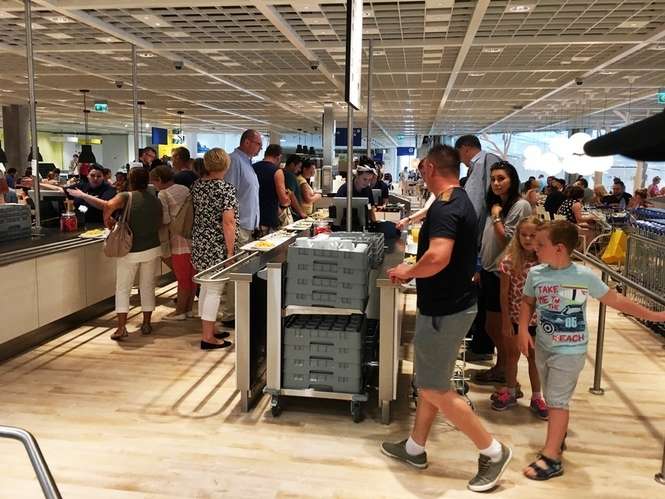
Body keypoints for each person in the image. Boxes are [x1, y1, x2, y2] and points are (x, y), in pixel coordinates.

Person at [381, 145, 512, 493]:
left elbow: (438, 256)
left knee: (433, 387)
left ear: (430, 167)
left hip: (445, 310)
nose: (420, 172)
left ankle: (493, 451)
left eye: (422, 167)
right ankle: (415, 447)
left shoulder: (446, 206)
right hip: (454, 304)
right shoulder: (457, 200)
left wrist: (408, 270)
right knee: (432, 381)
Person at [519, 220, 665, 480]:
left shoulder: (584, 276)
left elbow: (615, 299)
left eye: (541, 244)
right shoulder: (536, 273)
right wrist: (522, 329)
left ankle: (551, 456)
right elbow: (528, 302)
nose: (534, 248)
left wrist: (653, 315)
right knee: (552, 397)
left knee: (557, 402)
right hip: (544, 346)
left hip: (570, 350)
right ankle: (557, 437)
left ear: (559, 248)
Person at [475, 161, 532, 385]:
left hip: (504, 275)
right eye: (493, 179)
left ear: (512, 180)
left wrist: (497, 216)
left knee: (502, 328)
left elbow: (509, 239)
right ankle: (502, 368)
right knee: (492, 325)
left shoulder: (519, 206)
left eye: (501, 178)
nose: (496, 183)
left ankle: (509, 375)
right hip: (490, 271)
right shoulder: (498, 203)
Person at [492, 216, 547, 419]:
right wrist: (506, 320)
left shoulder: (545, 262)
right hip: (515, 317)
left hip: (538, 320)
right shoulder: (509, 261)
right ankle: (511, 390)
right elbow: (503, 293)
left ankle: (537, 396)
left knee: (535, 358)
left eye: (532, 235)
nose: (528, 239)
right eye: (524, 235)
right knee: (512, 356)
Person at [103, 167, 163, 340]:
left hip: (130, 250)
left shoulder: (126, 196)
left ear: (131, 180)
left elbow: (108, 205)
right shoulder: (155, 199)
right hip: (152, 247)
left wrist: (108, 221)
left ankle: (121, 328)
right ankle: (146, 323)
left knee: (123, 288)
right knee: (147, 286)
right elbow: (160, 221)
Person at [191, 148, 238, 349]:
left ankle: (209, 329)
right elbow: (228, 222)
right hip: (217, 245)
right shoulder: (225, 189)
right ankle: (207, 337)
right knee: (214, 290)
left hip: (200, 243)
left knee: (206, 287)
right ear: (226, 165)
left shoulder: (197, 185)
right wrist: (230, 252)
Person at [150, 166, 196, 320]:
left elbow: (165, 219)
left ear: (159, 180)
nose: (154, 186)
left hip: (178, 240)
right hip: (192, 236)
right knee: (192, 277)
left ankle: (180, 312)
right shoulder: (184, 189)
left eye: (154, 182)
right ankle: (189, 309)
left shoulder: (163, 194)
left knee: (182, 278)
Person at [454, 135, 502, 235]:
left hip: (486, 225)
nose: (460, 160)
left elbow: (487, 196)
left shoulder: (487, 160)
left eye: (458, 154)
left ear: (465, 149)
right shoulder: (477, 164)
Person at [227, 130, 261, 244]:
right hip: (239, 226)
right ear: (247, 142)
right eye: (258, 144)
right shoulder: (234, 161)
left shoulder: (247, 162)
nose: (260, 148)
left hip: (248, 226)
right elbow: (229, 195)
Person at [253, 144, 290, 233]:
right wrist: (288, 198)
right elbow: (283, 200)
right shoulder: (277, 171)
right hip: (269, 218)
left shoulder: (252, 167)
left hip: (253, 217)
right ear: (279, 157)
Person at [284, 154, 306, 220]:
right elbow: (291, 195)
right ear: (292, 164)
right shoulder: (290, 176)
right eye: (299, 167)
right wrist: (301, 213)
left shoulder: (282, 173)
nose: (299, 170)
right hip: (293, 214)